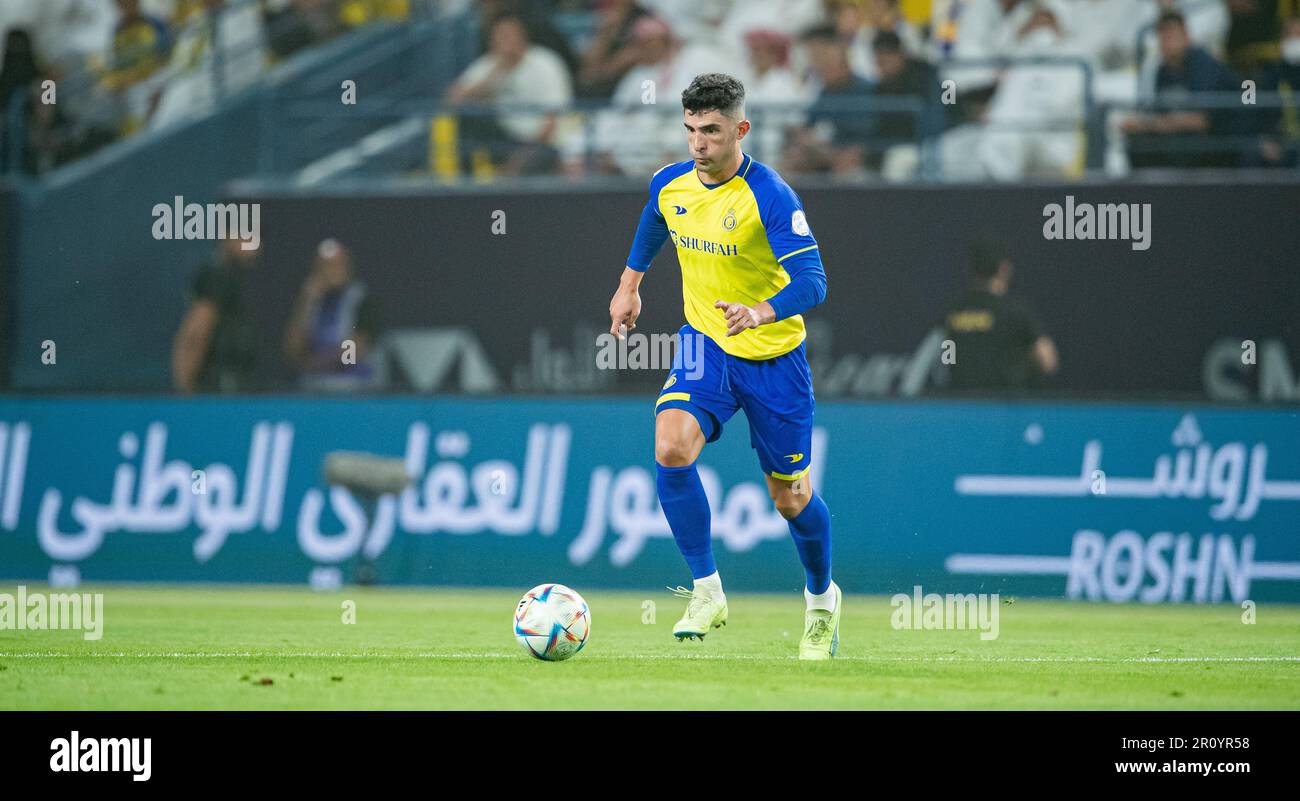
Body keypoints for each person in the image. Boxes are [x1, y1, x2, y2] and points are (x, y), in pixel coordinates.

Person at [607, 73, 840, 660]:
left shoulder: (772, 195)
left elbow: (814, 282)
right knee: (671, 447)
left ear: (741, 129)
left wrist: (760, 311)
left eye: (711, 131)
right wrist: (629, 285)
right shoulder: (671, 183)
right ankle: (707, 591)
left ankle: (821, 602)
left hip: (772, 357)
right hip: (703, 341)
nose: (698, 144)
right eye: (690, 130)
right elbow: (656, 219)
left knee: (789, 497)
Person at [446, 13, 573, 175]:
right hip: (505, 140)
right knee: (466, 118)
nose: (507, 42)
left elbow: (552, 122)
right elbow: (452, 100)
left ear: (523, 37)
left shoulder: (545, 62)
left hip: (541, 142)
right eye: (501, 36)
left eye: (510, 35)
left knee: (539, 154)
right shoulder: (490, 63)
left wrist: (519, 160)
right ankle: (465, 187)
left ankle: (504, 181)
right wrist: (494, 74)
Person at [1124, 10, 1242, 168]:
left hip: (1219, 142)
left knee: (1187, 145)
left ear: (1186, 37)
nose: (1168, 43)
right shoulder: (1160, 71)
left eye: (1173, 36)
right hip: (1178, 139)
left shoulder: (1203, 64)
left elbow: (1200, 120)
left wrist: (1152, 125)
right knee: (1137, 144)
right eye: (1164, 37)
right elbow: (1155, 111)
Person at [942, 240, 1058, 393]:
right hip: (1005, 408)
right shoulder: (1016, 312)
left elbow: (944, 361)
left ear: (970, 269)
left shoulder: (952, 313)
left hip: (963, 406)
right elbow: (1047, 361)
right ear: (1004, 269)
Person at [282, 239, 382, 391]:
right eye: (323, 267)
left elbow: (354, 352)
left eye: (336, 265)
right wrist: (306, 302)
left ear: (348, 268)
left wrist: (315, 363)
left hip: (355, 388)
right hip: (313, 388)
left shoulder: (362, 300)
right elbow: (292, 351)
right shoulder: (309, 300)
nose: (330, 272)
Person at [172, 236, 260, 394]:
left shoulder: (235, 279)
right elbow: (195, 336)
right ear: (226, 238)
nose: (255, 247)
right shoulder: (218, 278)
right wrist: (184, 387)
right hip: (218, 390)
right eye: (247, 238)